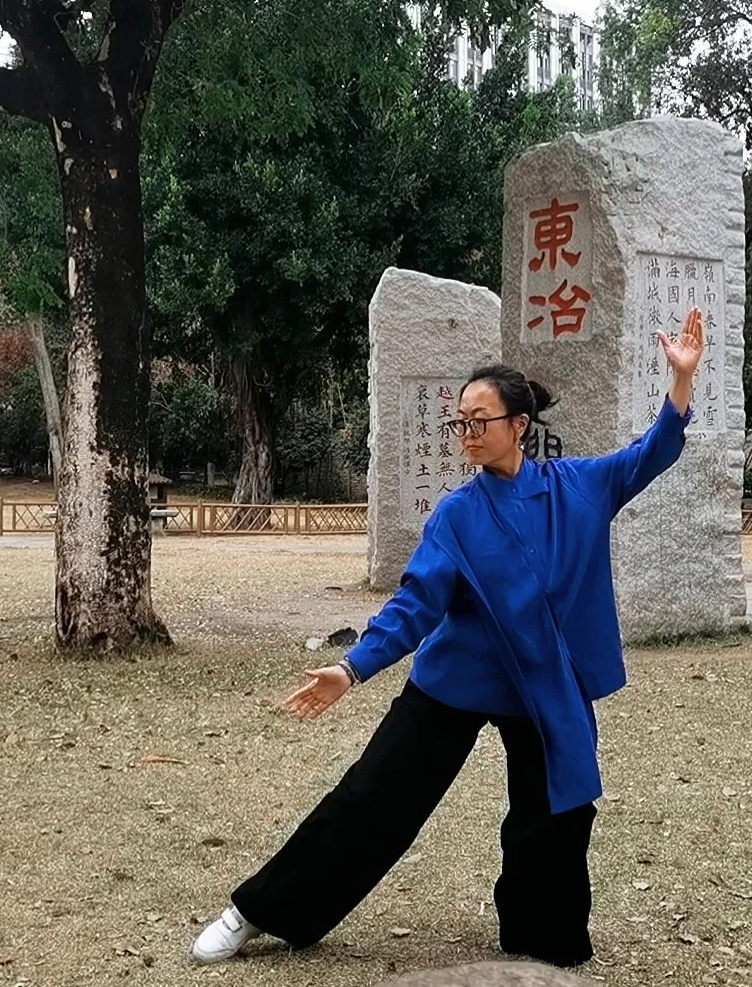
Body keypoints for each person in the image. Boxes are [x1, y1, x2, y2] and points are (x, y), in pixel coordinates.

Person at [189, 307, 708, 970]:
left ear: (519, 425)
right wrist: (350, 669)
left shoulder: (580, 486)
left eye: (478, 420)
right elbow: (414, 605)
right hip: (456, 681)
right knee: (373, 799)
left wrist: (681, 381)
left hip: (545, 683)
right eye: (459, 420)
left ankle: (539, 938)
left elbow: (652, 452)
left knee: (558, 807)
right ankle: (256, 912)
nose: (465, 431)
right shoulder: (458, 516)